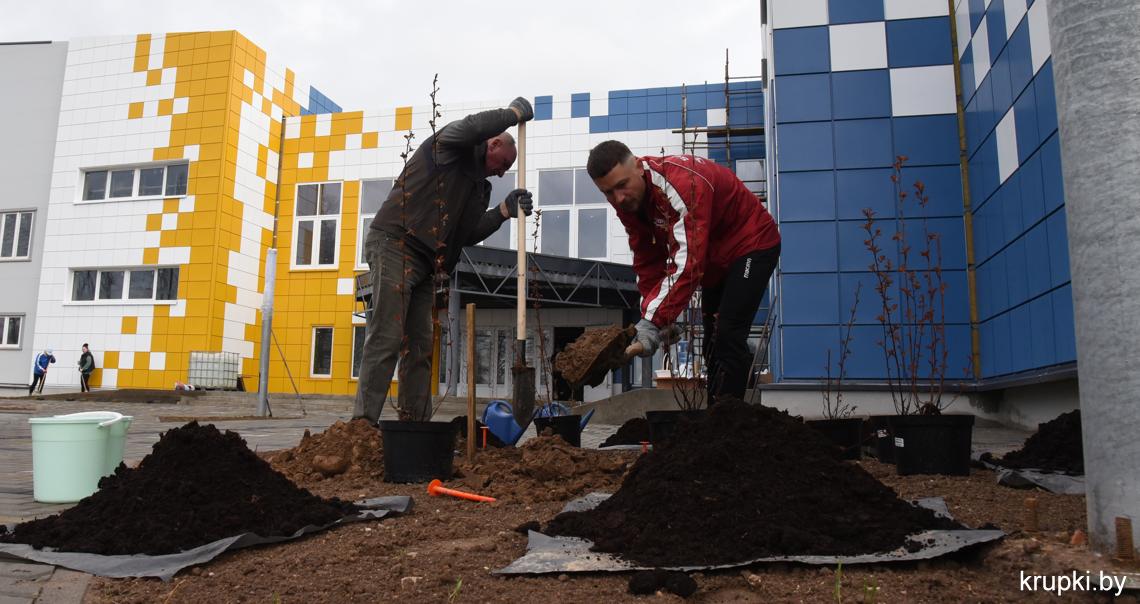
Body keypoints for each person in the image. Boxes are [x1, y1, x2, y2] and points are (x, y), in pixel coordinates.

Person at [354, 97, 535, 423]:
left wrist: (503, 212)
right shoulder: (452, 145)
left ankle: (415, 427)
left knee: (420, 347)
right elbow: (474, 126)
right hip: (396, 243)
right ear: (493, 143)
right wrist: (512, 114)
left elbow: (465, 233)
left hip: (427, 263)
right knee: (387, 335)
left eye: (508, 170)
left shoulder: (479, 188)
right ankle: (362, 426)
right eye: (504, 164)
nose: (502, 173)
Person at [586, 140, 781, 402]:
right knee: (712, 341)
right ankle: (717, 413)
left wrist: (653, 321)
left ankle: (732, 417)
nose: (618, 198)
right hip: (713, 261)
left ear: (639, 167)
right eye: (608, 192)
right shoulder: (629, 203)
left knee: (728, 333)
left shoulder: (682, 185)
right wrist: (658, 318)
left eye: (622, 185)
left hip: (751, 243)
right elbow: (647, 259)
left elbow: (688, 259)